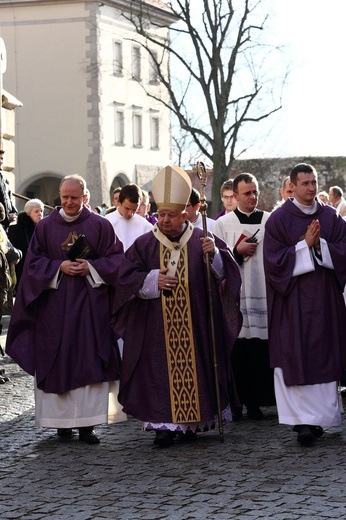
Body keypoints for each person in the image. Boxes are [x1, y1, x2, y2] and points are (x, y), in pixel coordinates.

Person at [112, 165, 242, 447]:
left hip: (196, 325)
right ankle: (163, 427)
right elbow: (124, 278)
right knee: (158, 372)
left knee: (195, 367)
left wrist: (216, 257)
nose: (165, 220)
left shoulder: (202, 240)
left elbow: (226, 277)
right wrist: (150, 280)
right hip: (156, 326)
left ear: (185, 214)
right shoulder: (145, 244)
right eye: (161, 214)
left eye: (171, 215)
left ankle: (192, 422)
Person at [6, 174, 125, 445]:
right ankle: (61, 425)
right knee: (56, 359)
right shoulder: (46, 227)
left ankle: (87, 426)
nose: (69, 202)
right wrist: (58, 267)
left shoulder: (101, 225)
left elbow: (117, 260)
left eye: (74, 197)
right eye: (64, 197)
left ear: (84, 197)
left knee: (89, 359)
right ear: (59, 198)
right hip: (55, 308)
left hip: (90, 309)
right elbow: (33, 263)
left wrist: (91, 267)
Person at [263, 163, 346, 445]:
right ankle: (302, 424)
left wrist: (319, 245)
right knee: (294, 353)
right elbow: (273, 263)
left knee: (323, 353)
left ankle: (320, 419)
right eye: (305, 183)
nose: (311, 188)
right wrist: (303, 246)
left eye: (314, 182)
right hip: (293, 303)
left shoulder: (332, 216)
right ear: (293, 186)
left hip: (324, 302)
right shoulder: (278, 219)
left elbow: (345, 250)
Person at [213, 173, 275, 420]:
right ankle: (237, 403)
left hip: (262, 291)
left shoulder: (270, 221)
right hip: (235, 296)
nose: (252, 197)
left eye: (255, 192)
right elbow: (215, 262)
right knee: (238, 351)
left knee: (260, 348)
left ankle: (257, 402)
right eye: (247, 193)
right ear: (236, 196)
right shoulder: (223, 224)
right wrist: (236, 253)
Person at [8, 198, 44, 287]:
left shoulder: (44, 229)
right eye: (36, 211)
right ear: (28, 213)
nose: (40, 214)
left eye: (41, 211)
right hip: (22, 271)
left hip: (40, 270)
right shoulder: (15, 229)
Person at [105, 183, 152, 251]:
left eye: (134, 209)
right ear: (119, 202)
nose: (130, 213)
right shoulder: (107, 221)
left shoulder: (146, 226)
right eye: (127, 208)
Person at [0, 150, 18, 231]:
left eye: (2, 158)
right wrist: (6, 217)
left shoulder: (3, 176)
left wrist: (13, 212)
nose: (1, 161)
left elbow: (8, 197)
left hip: (5, 222)